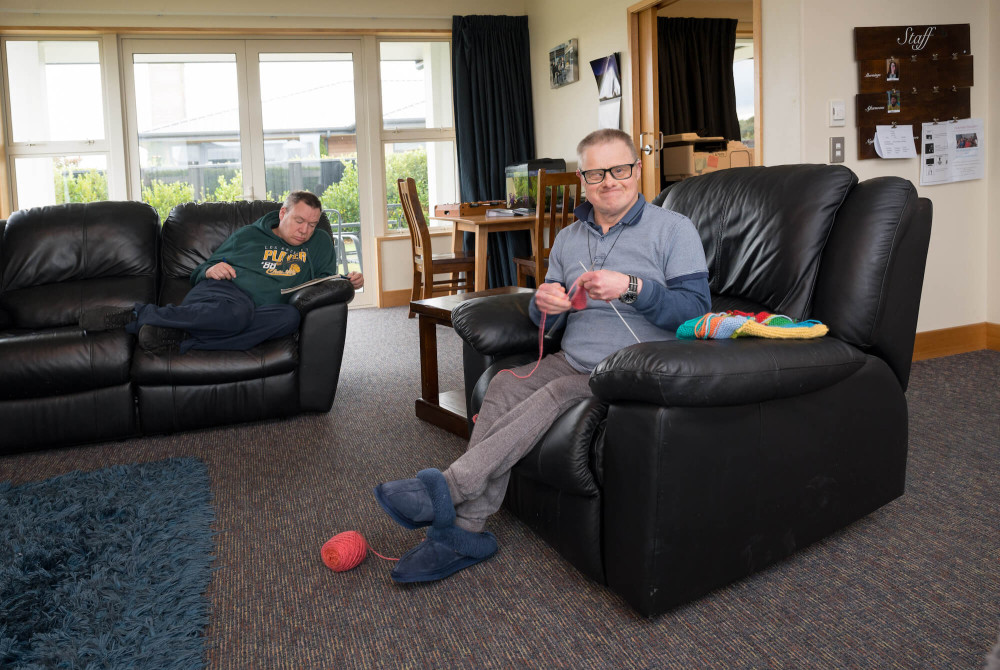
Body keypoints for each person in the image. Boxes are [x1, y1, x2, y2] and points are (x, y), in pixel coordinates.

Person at [373, 128, 711, 583]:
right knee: (502, 384)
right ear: (582, 179)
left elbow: (696, 311)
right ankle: (467, 531)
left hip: (628, 370)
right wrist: (544, 304)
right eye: (596, 173)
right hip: (572, 358)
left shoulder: (675, 229)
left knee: (552, 396)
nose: (609, 180)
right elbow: (545, 319)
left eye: (619, 169)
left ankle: (446, 489)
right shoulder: (570, 239)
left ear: (637, 170)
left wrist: (631, 288)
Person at [81, 190, 364, 352]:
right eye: (299, 220)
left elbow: (323, 283)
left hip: (263, 309)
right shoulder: (248, 236)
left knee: (289, 317)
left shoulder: (320, 244)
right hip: (224, 293)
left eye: (312, 224)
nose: (305, 230)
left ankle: (182, 338)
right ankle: (135, 316)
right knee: (238, 312)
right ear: (283, 213)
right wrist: (210, 269)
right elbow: (199, 271)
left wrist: (345, 281)